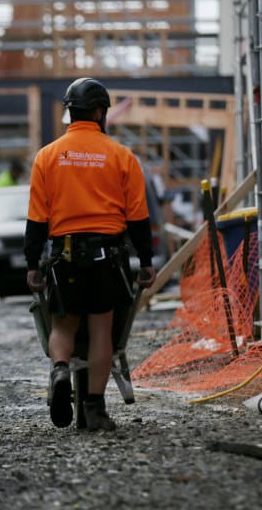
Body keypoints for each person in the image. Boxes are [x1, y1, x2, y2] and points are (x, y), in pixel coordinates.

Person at [23, 77, 156, 431]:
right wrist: (146, 261)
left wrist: (32, 264)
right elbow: (139, 218)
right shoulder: (122, 157)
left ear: (70, 113)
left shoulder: (47, 157)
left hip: (63, 257)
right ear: (99, 112)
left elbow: (37, 218)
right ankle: (95, 409)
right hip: (106, 257)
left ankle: (61, 369)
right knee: (101, 331)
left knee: (63, 326)